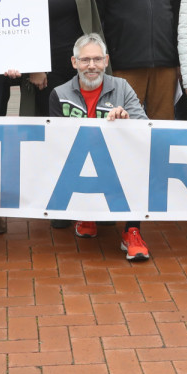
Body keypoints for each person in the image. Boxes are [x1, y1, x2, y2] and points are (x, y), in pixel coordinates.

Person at [48, 34, 150, 261]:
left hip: (117, 159)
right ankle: (85, 214)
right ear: (75, 63)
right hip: (78, 161)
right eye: (85, 60)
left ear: (106, 61)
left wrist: (126, 121)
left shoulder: (122, 87)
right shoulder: (59, 94)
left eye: (97, 59)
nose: (91, 66)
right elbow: (56, 141)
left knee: (141, 162)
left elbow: (144, 126)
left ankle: (132, 231)